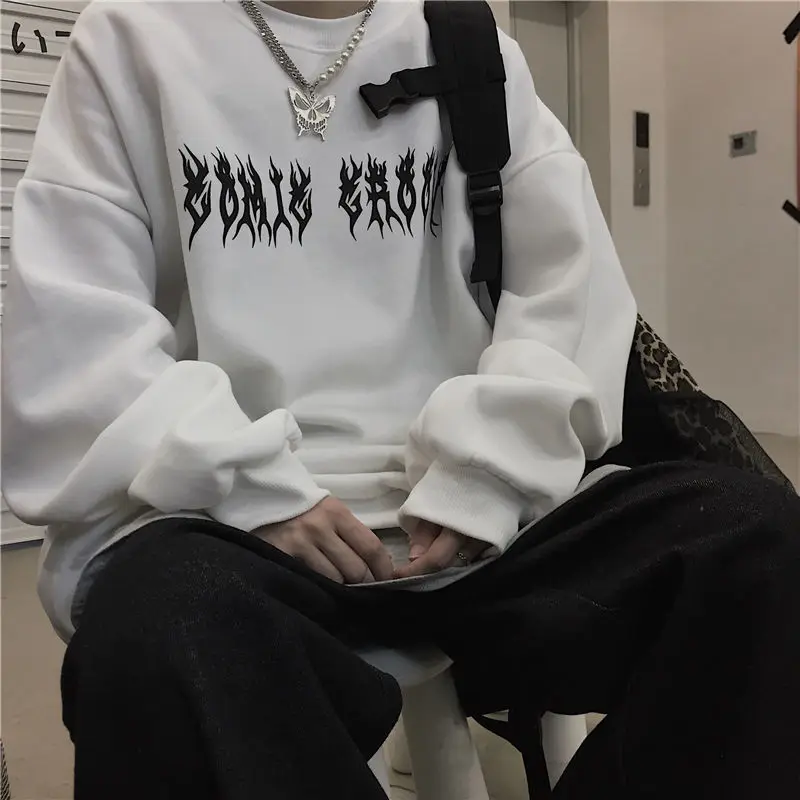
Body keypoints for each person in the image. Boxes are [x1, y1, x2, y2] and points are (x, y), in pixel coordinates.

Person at [2, 0, 799, 798]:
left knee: (754, 548)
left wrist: (487, 474)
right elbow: (75, 323)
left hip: (480, 523)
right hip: (232, 531)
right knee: (158, 634)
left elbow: (569, 287)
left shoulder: (471, 43)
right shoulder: (132, 36)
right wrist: (249, 486)